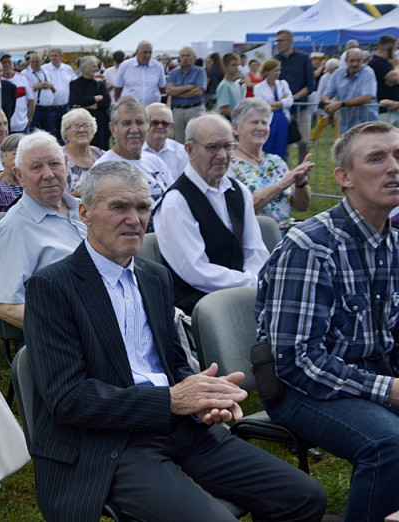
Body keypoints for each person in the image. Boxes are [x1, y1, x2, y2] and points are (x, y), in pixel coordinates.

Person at [24, 160, 327, 522]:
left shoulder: (154, 276)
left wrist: (202, 398)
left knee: (305, 497)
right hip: (108, 444)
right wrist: (171, 399)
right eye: (119, 207)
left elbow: (171, 363)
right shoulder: (53, 287)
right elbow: (68, 399)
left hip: (180, 429)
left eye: (142, 207)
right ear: (85, 213)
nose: (134, 219)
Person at [257, 121, 399, 522]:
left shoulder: (393, 242)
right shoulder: (311, 246)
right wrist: (387, 389)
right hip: (300, 390)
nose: (394, 168)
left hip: (364, 376)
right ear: (344, 178)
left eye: (398, 156)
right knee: (389, 444)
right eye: (377, 158)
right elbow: (297, 362)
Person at [153, 113, 269, 314]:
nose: (223, 155)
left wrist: (255, 283)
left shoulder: (238, 191)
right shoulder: (176, 202)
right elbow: (196, 271)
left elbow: (255, 249)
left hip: (246, 295)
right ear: (190, 150)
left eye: (228, 146)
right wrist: (251, 283)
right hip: (200, 307)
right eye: (212, 147)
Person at [0, 131, 86, 329]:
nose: (48, 174)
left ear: (66, 164)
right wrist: (68, 327)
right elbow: (1, 304)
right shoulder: (13, 229)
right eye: (36, 167)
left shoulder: (86, 211)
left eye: (55, 164)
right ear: (19, 175)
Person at [229, 98, 313, 228]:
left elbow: (302, 207)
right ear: (236, 128)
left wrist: (300, 183)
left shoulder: (276, 161)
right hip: (255, 237)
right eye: (254, 122)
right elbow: (241, 209)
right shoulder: (229, 165)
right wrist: (282, 184)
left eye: (264, 122)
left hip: (286, 235)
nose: (261, 127)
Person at [94, 96, 173, 205]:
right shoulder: (103, 169)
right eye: (126, 123)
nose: (134, 129)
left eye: (140, 122)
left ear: (148, 126)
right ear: (113, 129)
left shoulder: (156, 162)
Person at [273, 29, 316, 161]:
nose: (278, 44)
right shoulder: (274, 61)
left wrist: (293, 98)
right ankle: (284, 177)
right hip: (281, 110)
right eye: (277, 41)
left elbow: (310, 85)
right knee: (282, 145)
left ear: (290, 42)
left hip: (301, 108)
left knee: (303, 142)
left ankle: (302, 177)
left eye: (281, 41)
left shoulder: (303, 58)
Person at [322, 48, 377, 134]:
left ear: (363, 61)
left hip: (366, 124)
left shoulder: (368, 73)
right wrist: (328, 103)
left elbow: (367, 98)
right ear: (346, 61)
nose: (355, 64)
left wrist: (341, 104)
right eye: (352, 60)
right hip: (346, 124)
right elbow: (326, 94)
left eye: (358, 60)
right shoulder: (338, 73)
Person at [252, 58, 293, 160]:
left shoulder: (283, 84)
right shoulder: (258, 88)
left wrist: (272, 104)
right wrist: (281, 102)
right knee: (267, 148)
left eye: (279, 70)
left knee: (281, 149)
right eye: (275, 70)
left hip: (282, 120)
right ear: (267, 71)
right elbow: (261, 105)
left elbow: (289, 101)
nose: (278, 73)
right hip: (268, 120)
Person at [68, 55, 111, 149]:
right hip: (82, 123)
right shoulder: (75, 84)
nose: (96, 68)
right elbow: (76, 100)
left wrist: (88, 106)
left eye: (96, 66)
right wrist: (95, 98)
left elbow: (107, 101)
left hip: (101, 125)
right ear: (84, 68)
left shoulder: (100, 84)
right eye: (93, 66)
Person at [166, 46, 207, 143]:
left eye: (188, 55)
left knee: (197, 139)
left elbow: (198, 92)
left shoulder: (200, 71)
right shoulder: (174, 73)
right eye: (183, 56)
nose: (185, 58)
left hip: (195, 109)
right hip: (178, 110)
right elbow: (168, 91)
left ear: (194, 58)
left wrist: (177, 91)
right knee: (179, 141)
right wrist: (188, 87)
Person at [61, 109, 104, 196]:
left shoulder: (102, 156)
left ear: (93, 130)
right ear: (66, 135)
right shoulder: (58, 158)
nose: (81, 130)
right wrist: (79, 193)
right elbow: (56, 199)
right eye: (75, 127)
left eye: (86, 125)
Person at [142, 103, 189, 179]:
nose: (160, 126)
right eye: (155, 123)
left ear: (171, 127)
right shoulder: (135, 151)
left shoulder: (181, 152)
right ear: (144, 124)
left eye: (165, 123)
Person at [114, 41, 167, 106]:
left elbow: (162, 87)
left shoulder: (158, 66)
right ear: (137, 52)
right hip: (130, 107)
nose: (148, 55)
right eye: (145, 52)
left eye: (150, 52)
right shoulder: (125, 66)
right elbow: (118, 88)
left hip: (151, 107)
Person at [40, 49, 77, 137]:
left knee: (64, 131)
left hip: (64, 106)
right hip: (51, 107)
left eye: (55, 56)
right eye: (51, 56)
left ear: (61, 57)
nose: (53, 58)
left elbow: (74, 82)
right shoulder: (44, 68)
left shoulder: (67, 69)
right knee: (51, 132)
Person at [0, 54, 36, 133]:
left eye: (9, 62)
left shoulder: (22, 78)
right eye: (4, 63)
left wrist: (29, 119)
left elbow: (32, 100)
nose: (7, 65)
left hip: (22, 126)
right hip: (4, 128)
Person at [216, 53, 243, 118]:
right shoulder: (224, 85)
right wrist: (239, 116)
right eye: (233, 65)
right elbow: (223, 110)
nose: (236, 68)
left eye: (238, 65)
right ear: (225, 67)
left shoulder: (236, 84)